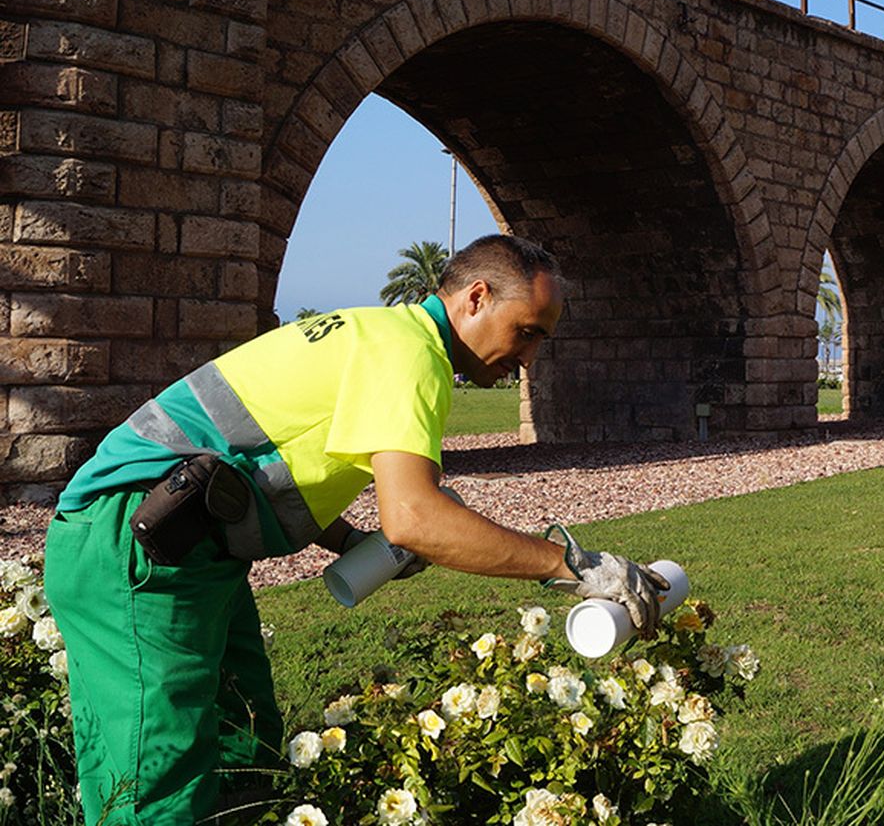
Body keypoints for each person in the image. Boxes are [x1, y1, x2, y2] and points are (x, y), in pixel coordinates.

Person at [43, 234, 668, 824]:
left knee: (244, 741)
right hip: (136, 544)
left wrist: (347, 542)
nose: (530, 357)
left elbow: (272, 456)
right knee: (155, 777)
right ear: (477, 297)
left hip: (186, 542)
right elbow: (416, 516)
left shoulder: (380, 334)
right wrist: (576, 566)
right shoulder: (409, 354)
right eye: (527, 333)